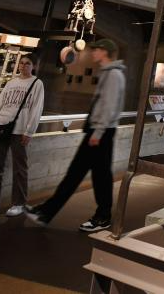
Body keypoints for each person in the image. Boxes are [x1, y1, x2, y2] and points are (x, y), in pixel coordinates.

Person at [27, 38, 125, 233]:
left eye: (96, 49)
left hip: (100, 132)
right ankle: (48, 212)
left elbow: (109, 107)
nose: (93, 52)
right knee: (92, 175)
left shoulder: (114, 75)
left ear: (105, 52)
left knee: (86, 175)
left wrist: (97, 133)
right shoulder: (109, 73)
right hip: (99, 131)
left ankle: (100, 216)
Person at [0, 55, 44, 217]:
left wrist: (29, 131)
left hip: (19, 130)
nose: (23, 66)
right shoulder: (11, 83)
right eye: (21, 63)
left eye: (27, 63)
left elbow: (36, 109)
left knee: (20, 168)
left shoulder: (37, 83)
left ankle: (19, 203)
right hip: (2, 127)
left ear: (33, 66)